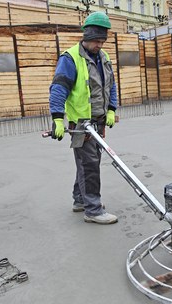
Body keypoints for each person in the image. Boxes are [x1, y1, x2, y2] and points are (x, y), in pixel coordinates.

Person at [48, 12, 119, 225]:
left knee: (85, 163)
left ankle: (80, 200)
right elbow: (59, 89)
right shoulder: (70, 58)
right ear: (87, 37)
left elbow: (111, 86)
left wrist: (111, 109)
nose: (100, 44)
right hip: (81, 124)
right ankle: (93, 210)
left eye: (102, 40)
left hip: (98, 122)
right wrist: (58, 119)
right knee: (90, 165)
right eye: (97, 41)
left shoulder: (104, 58)